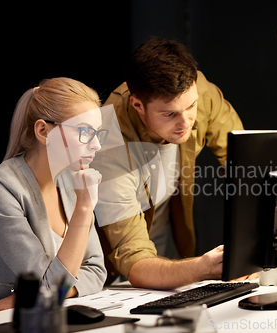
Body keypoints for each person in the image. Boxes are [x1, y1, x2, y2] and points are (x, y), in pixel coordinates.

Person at [93, 37, 253, 289]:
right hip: (111, 269)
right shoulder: (109, 141)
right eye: (169, 114)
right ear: (138, 105)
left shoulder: (200, 91)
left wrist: (255, 245)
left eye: (191, 106)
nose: (186, 121)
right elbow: (134, 258)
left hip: (165, 240)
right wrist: (204, 268)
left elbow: (248, 166)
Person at [0, 77, 107, 319]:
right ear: (43, 131)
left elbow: (96, 270)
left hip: (43, 314)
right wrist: (84, 207)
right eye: (85, 132)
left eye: (98, 133)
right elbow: (48, 282)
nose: (97, 145)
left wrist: (35, 295)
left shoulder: (70, 181)